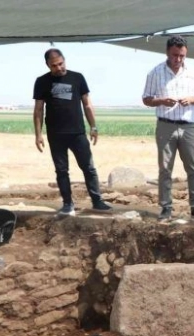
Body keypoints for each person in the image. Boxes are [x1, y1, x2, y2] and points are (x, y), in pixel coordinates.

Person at [33, 48, 112, 216]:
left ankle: (97, 201)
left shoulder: (77, 78)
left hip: (77, 133)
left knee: (88, 167)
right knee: (62, 171)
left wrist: (94, 126)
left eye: (61, 63)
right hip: (55, 134)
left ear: (64, 60)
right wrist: (38, 134)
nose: (59, 68)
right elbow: (38, 109)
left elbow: (87, 104)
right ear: (48, 65)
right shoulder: (41, 82)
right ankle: (68, 204)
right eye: (54, 65)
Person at [142, 35, 194, 221]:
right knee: (165, 169)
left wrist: (192, 99)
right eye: (174, 55)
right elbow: (146, 99)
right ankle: (166, 207)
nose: (178, 59)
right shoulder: (155, 72)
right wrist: (162, 100)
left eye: (181, 56)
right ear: (167, 52)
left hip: (188, 126)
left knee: (193, 168)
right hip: (165, 125)